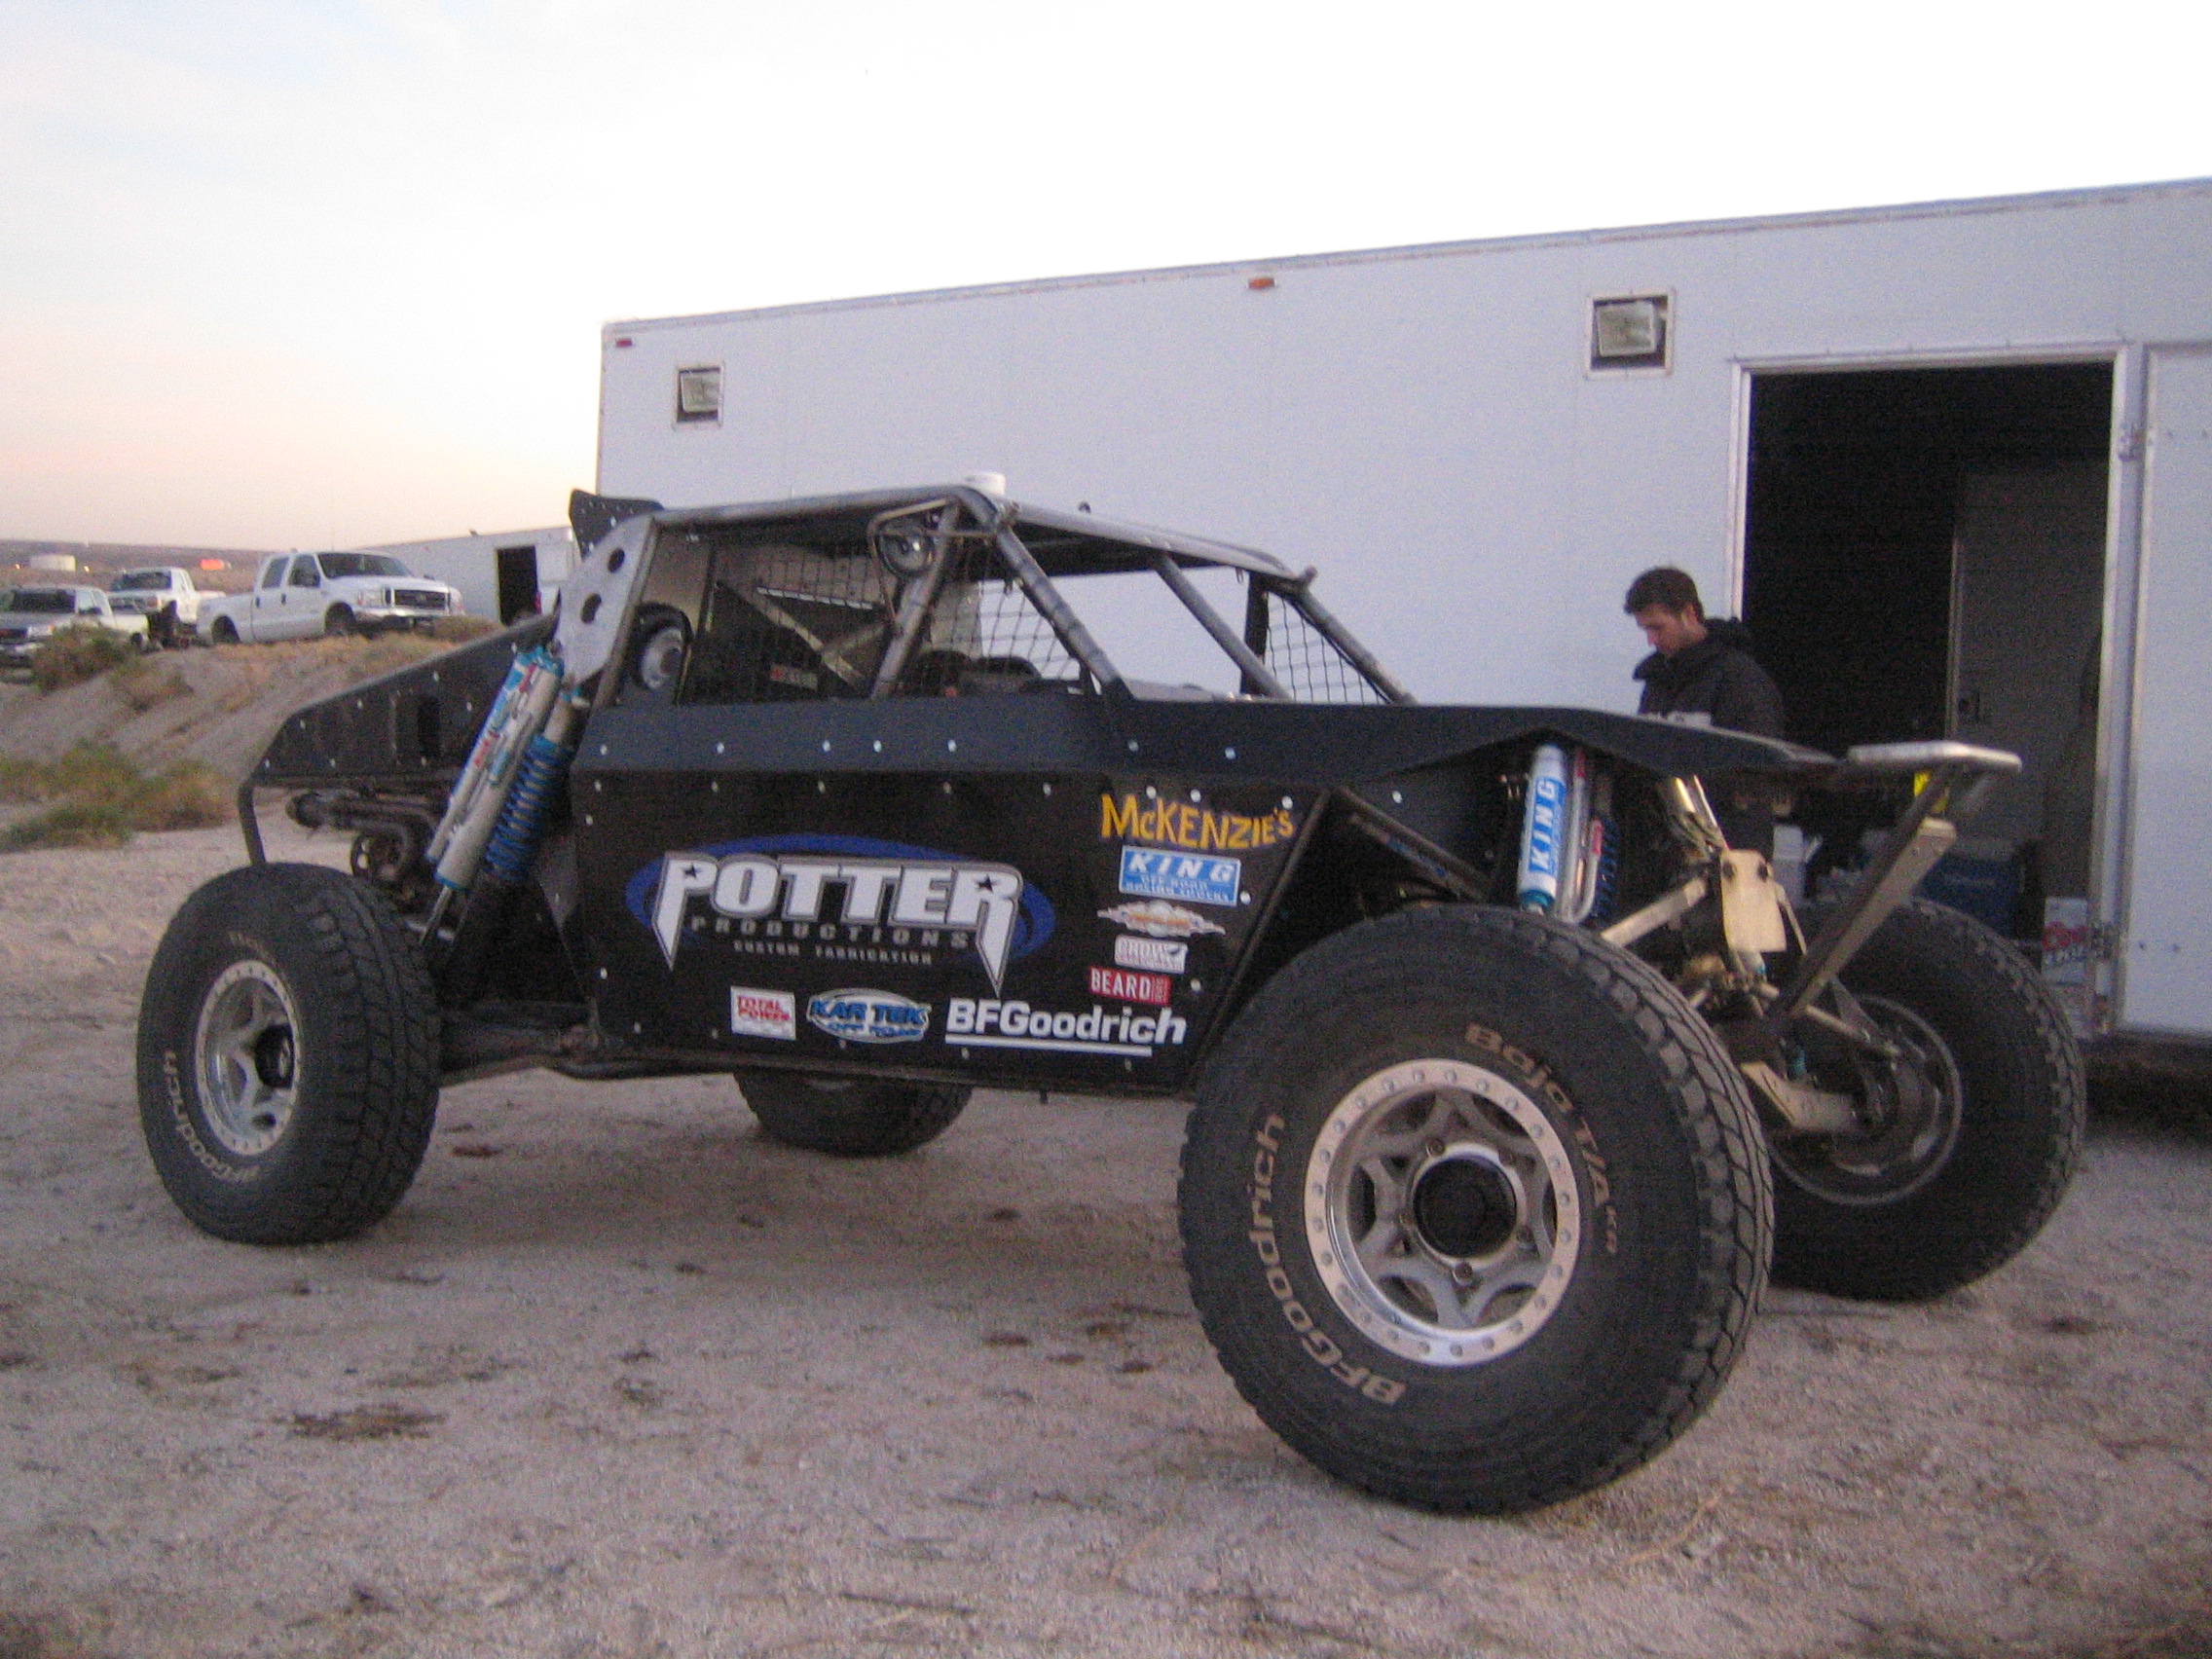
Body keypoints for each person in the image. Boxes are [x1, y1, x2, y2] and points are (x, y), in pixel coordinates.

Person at [1624, 567, 1786, 853]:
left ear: (1689, 613)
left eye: (1657, 627)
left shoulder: (1740, 679)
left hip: (1730, 852)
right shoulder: (1656, 682)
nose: (1651, 640)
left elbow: (1757, 772)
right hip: (1667, 851)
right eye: (1645, 629)